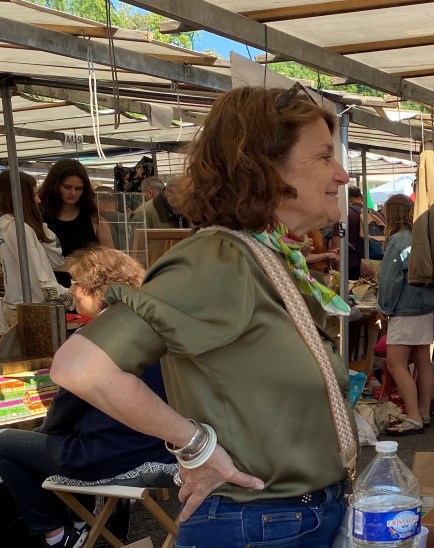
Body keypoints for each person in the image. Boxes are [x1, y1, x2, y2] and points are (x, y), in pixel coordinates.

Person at [49, 85, 359, 547]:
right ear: (265, 167)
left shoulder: (261, 256)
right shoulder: (218, 259)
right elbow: (80, 367)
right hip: (261, 526)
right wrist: (196, 446)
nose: (342, 173)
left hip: (287, 521)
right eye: (323, 156)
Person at [0, 247, 172, 548]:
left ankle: (57, 533)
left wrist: (41, 434)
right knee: (50, 440)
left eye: (76, 283)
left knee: (5, 443)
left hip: (108, 457)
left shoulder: (95, 337)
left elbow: (63, 411)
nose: (71, 290)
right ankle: (78, 522)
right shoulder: (155, 326)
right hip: (161, 453)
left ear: (97, 289)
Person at [376, 194, 434, 436]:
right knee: (423, 359)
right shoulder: (422, 236)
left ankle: (413, 417)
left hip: (405, 308)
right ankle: (423, 412)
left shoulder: (398, 240)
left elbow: (391, 278)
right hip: (428, 305)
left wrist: (384, 306)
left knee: (396, 363)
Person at [0, 171, 71, 331]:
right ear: (22, 197)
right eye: (33, 194)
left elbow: (54, 258)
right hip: (32, 312)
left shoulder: (6, 226)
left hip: (16, 309)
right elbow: (40, 279)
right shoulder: (19, 229)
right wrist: (72, 298)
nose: (38, 200)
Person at [37, 159, 115, 257]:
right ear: (55, 185)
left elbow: (110, 257)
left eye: (78, 188)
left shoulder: (95, 218)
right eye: (67, 187)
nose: (73, 193)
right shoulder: (39, 214)